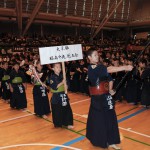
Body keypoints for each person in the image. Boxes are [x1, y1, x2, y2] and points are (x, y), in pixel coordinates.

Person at [86, 48, 133, 150]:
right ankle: (101, 140)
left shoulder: (99, 66)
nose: (97, 56)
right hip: (97, 100)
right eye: (94, 55)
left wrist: (110, 90)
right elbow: (109, 69)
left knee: (111, 119)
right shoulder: (92, 68)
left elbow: (109, 79)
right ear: (89, 58)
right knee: (100, 121)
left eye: (97, 55)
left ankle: (112, 141)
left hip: (106, 97)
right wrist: (125, 67)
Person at [49, 63, 73, 129]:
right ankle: (58, 123)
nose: (59, 68)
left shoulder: (63, 76)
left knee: (67, 109)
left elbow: (68, 85)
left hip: (63, 95)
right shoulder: (52, 77)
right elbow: (54, 87)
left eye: (60, 67)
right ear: (53, 69)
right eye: (57, 67)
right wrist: (62, 83)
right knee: (57, 110)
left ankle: (68, 123)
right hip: (56, 96)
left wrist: (66, 85)